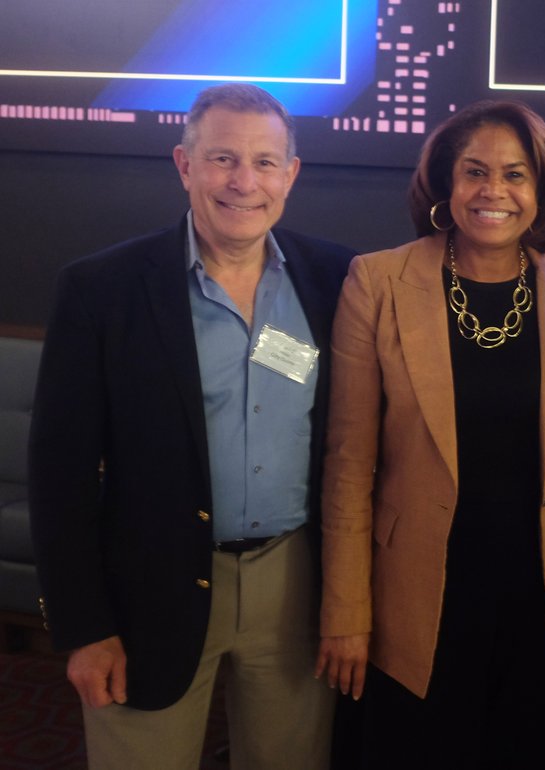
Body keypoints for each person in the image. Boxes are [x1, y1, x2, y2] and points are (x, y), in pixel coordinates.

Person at [28, 84, 354, 769]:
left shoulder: (336, 278)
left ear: (291, 174)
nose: (244, 182)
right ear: (183, 165)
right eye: (222, 159)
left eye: (266, 163)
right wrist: (84, 629)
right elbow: (59, 477)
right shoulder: (102, 290)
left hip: (294, 582)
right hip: (150, 584)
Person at [314, 100, 545, 767]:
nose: (494, 192)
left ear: (542, 191)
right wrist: (346, 613)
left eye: (516, 175)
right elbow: (349, 464)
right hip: (420, 596)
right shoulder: (379, 281)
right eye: (475, 172)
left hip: (543, 593)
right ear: (446, 184)